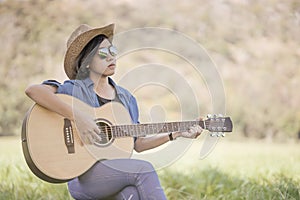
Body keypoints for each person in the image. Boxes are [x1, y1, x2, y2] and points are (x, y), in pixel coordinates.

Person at [25, 23, 203, 200]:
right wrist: (78, 117)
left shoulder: (126, 99)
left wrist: (174, 134)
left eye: (113, 51)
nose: (111, 57)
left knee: (131, 195)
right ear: (86, 62)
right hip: (82, 177)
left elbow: (138, 144)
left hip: (115, 175)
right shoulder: (74, 89)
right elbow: (34, 91)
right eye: (103, 53)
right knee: (145, 169)